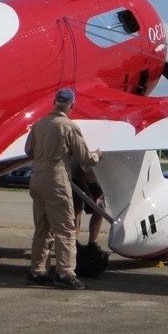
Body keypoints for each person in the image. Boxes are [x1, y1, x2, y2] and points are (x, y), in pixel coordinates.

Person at [25, 88, 101, 290]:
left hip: (37, 178)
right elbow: (84, 158)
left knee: (42, 228)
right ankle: (65, 273)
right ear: (71, 105)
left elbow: (28, 151)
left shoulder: (39, 124)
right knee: (66, 229)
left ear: (54, 102)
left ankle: (37, 271)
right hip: (56, 179)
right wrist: (98, 156)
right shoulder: (69, 127)